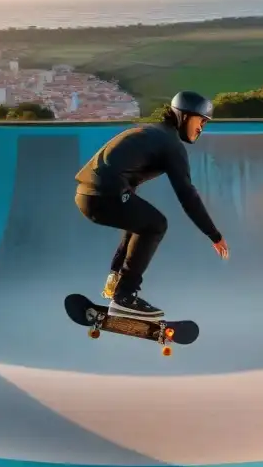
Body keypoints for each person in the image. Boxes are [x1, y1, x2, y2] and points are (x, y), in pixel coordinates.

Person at [74, 90, 230, 319]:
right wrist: (214, 235)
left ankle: (120, 288)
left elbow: (132, 222)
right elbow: (187, 195)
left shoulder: (151, 133)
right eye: (201, 120)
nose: (202, 128)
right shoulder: (171, 144)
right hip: (104, 193)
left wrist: (115, 269)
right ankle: (125, 297)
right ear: (184, 116)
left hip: (87, 195)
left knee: (143, 222)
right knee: (157, 224)